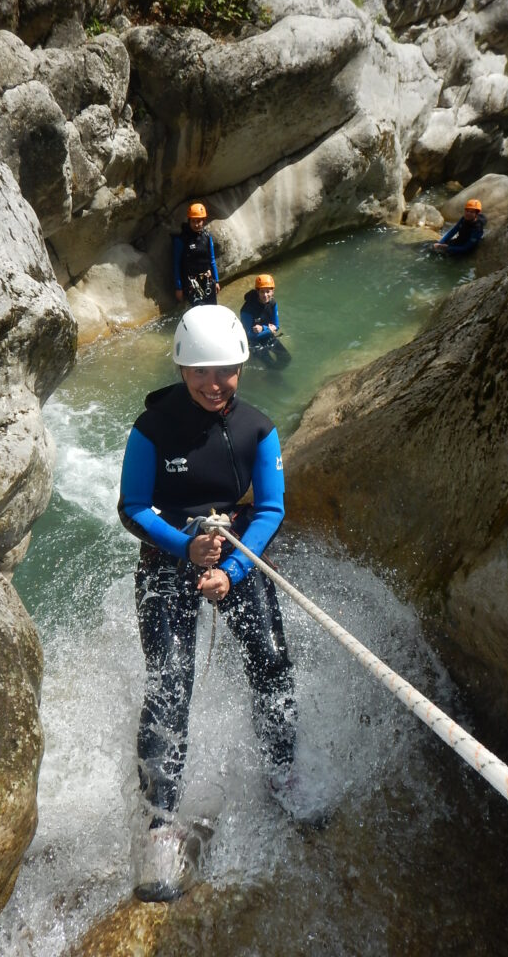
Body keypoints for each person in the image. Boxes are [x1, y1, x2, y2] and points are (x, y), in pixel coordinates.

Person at [118, 306, 301, 897]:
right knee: (171, 682)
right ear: (179, 365)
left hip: (235, 556)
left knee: (272, 662)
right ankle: (160, 824)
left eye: (224, 370)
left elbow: (269, 508)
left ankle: (283, 773)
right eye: (199, 371)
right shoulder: (152, 429)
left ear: (241, 366)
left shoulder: (258, 428)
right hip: (171, 557)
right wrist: (184, 549)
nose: (212, 383)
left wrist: (233, 568)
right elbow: (133, 506)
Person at [172, 202, 220, 306]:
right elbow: (176, 264)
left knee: (212, 309)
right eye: (193, 221)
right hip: (191, 283)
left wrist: (216, 281)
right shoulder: (181, 240)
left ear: (203, 221)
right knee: (199, 311)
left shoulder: (207, 237)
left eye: (199, 221)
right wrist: (178, 287)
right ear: (189, 221)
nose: (196, 224)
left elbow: (212, 260)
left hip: (207, 280)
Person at [239, 273, 291, 369]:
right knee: (272, 366)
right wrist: (270, 329)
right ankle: (273, 375)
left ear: (272, 292)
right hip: (254, 343)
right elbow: (247, 335)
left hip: (267, 335)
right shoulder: (248, 309)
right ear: (257, 292)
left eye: (268, 292)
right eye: (262, 292)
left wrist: (264, 328)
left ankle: (272, 376)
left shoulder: (272, 303)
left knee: (286, 358)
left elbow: (276, 325)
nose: (265, 295)